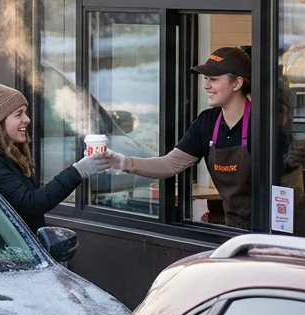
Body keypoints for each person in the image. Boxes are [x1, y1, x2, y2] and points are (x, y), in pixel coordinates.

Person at [101, 46, 257, 229]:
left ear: (237, 83)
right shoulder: (207, 122)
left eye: (213, 79)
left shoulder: (261, 124)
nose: (206, 85)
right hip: (235, 226)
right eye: (206, 79)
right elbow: (169, 164)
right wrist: (120, 162)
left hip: (273, 229)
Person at [0, 81, 106, 232]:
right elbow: (30, 204)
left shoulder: (4, 152)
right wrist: (79, 171)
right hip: (6, 251)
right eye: (18, 114)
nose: (27, 119)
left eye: (25, 112)